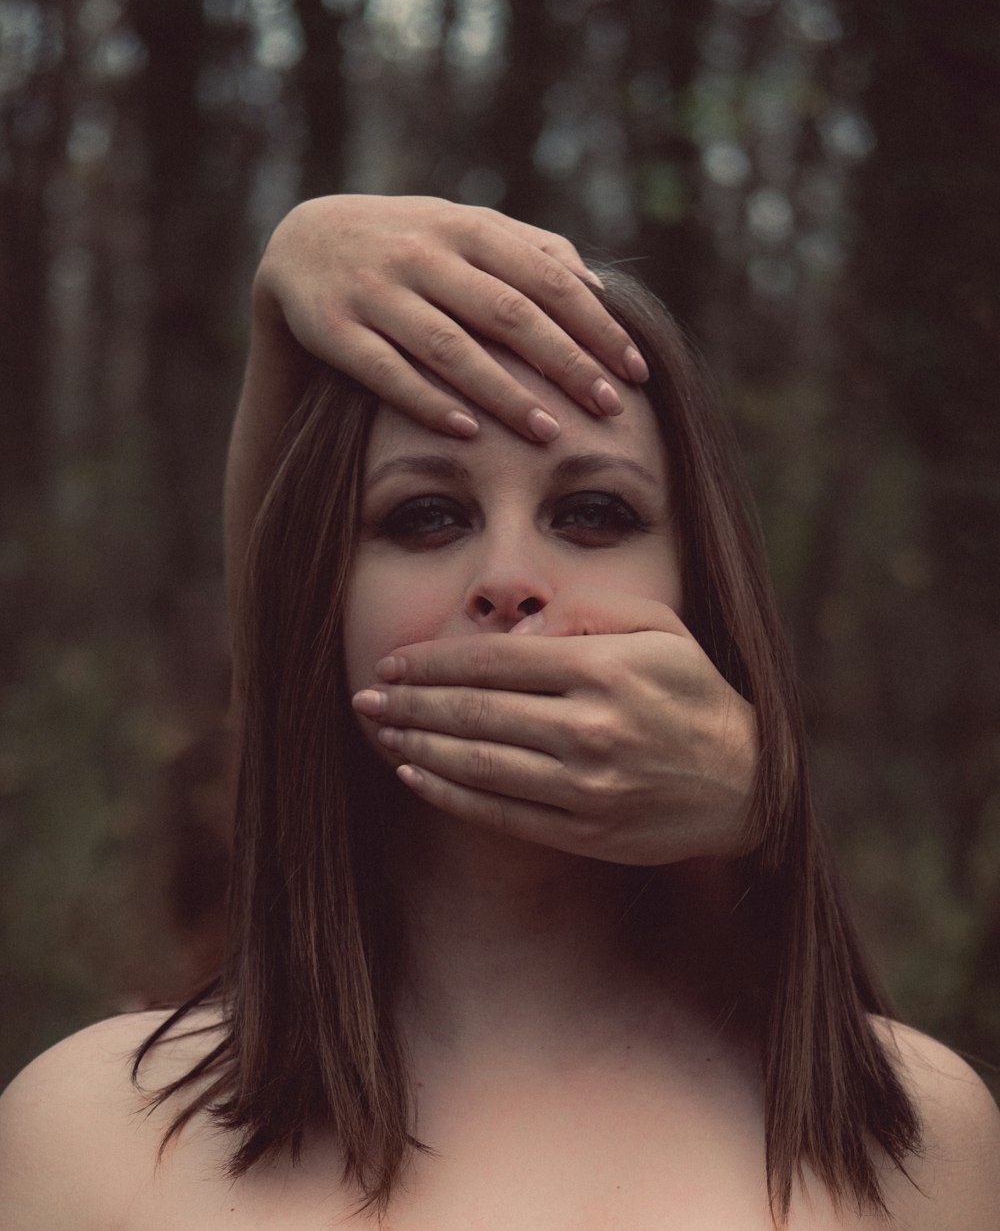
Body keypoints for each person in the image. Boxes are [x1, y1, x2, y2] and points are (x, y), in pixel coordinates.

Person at [1, 198, 997, 1231]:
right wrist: (287, 281)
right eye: (424, 514)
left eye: (593, 511)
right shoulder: (88, 1137)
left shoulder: (917, 1139)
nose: (510, 577)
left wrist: (768, 808)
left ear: (701, 595)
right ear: (321, 612)